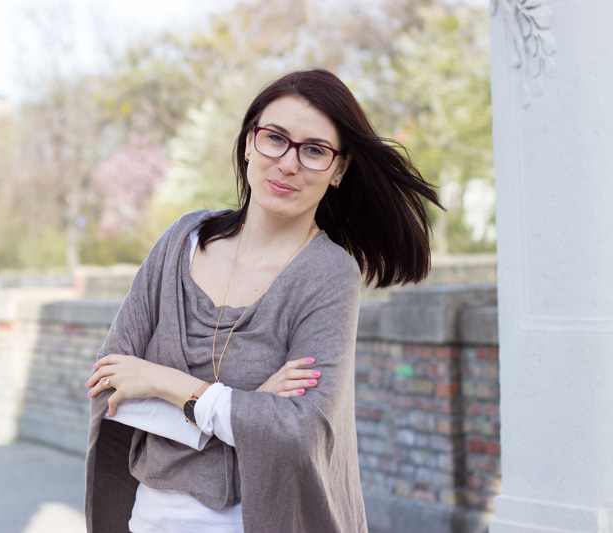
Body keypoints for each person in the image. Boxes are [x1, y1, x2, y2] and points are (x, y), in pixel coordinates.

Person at [85, 68, 441, 533]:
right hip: (149, 519)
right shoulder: (180, 241)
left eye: (315, 150)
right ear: (249, 142)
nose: (289, 163)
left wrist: (161, 382)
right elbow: (108, 387)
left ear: (339, 170)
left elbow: (299, 432)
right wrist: (247, 407)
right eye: (276, 138)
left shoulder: (329, 275)